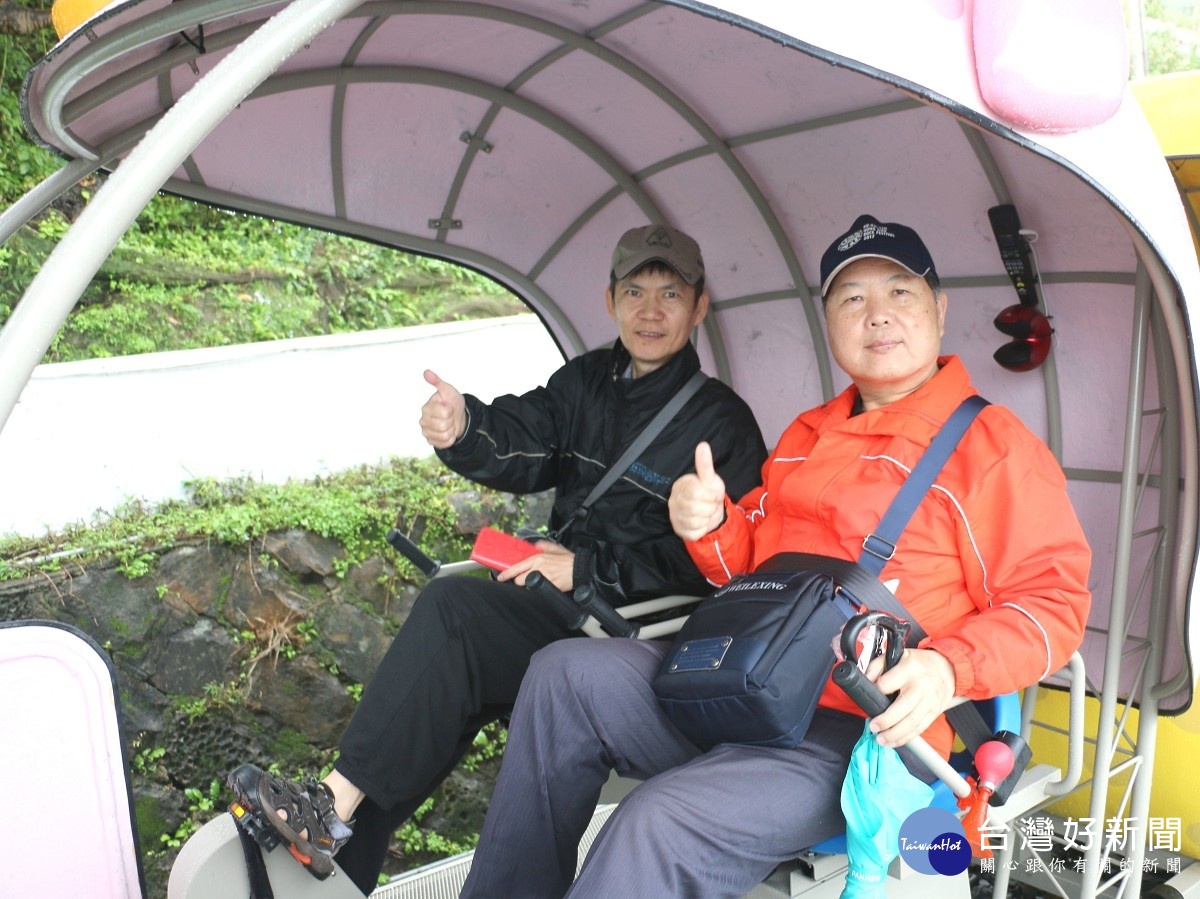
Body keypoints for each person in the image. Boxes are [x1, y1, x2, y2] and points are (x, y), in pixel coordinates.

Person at [457, 214, 1093, 899]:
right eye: (852, 298)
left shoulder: (994, 449)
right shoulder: (806, 433)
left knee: (656, 821)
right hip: (745, 681)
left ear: (938, 309)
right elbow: (748, 572)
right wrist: (708, 525)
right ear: (829, 321)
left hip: (852, 729)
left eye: (899, 293)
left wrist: (946, 668)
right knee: (561, 677)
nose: (877, 315)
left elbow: (1052, 603)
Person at [226, 223, 768, 893]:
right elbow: (524, 439)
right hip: (569, 606)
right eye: (635, 291)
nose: (651, 310)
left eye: (670, 293)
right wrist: (463, 427)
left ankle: (333, 815)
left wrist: (589, 570)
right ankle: (337, 838)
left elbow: (732, 571)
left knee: (468, 630)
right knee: (451, 624)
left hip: (642, 635)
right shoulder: (587, 383)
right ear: (610, 301)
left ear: (699, 306)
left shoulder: (725, 424)